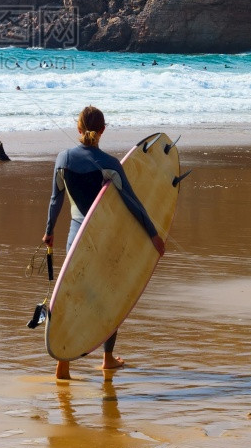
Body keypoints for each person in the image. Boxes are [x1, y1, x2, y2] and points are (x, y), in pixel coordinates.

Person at [42, 105, 165, 381]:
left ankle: (63, 363)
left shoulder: (63, 159)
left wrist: (49, 231)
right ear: (103, 130)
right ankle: (107, 359)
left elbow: (55, 200)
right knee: (111, 298)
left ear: (78, 128)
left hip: (75, 238)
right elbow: (133, 203)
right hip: (104, 239)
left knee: (71, 296)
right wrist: (154, 235)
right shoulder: (109, 164)